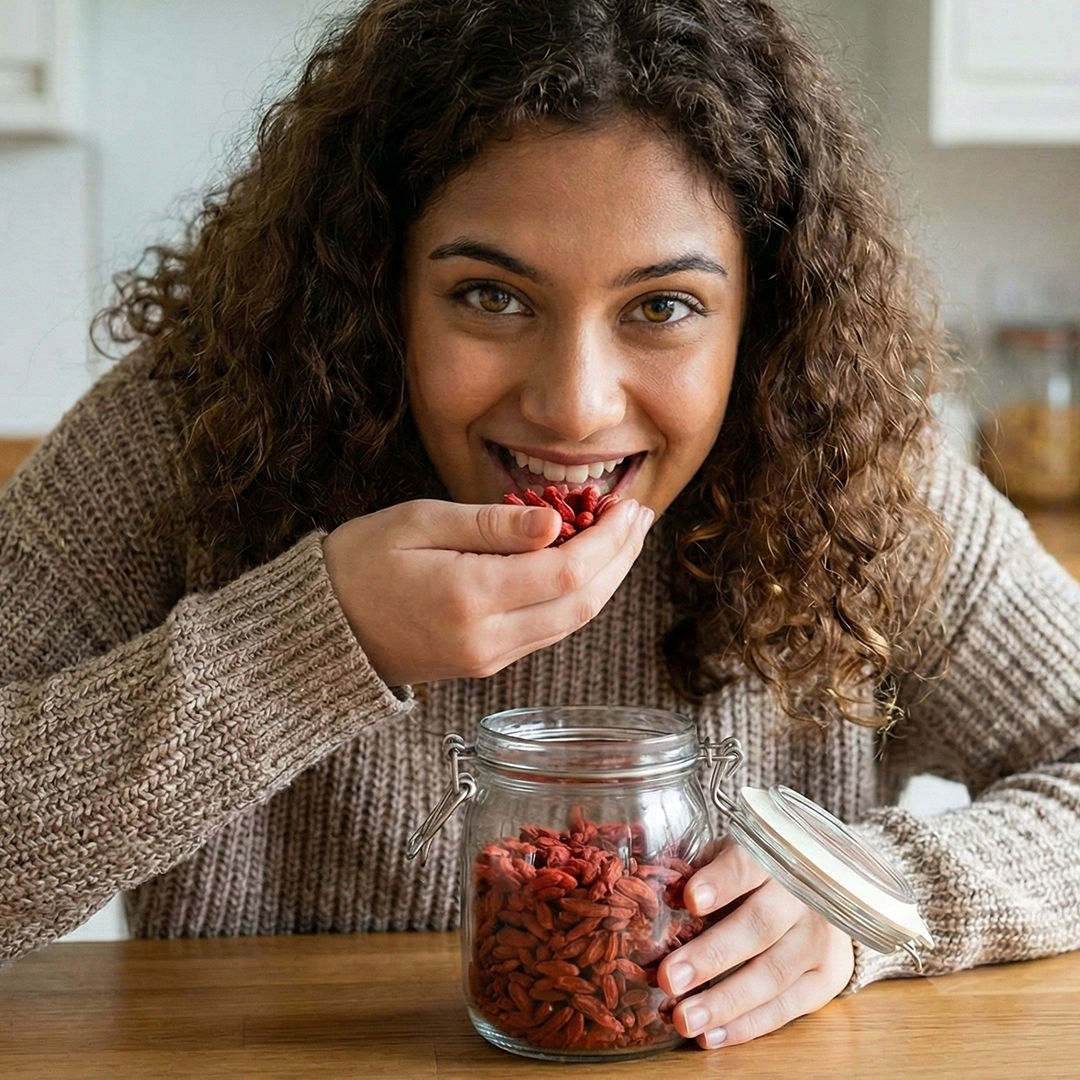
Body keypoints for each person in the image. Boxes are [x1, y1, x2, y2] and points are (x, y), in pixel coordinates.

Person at [2, 0, 1078, 1053]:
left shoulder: (844, 478)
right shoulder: (190, 439)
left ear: (766, 315)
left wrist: (870, 901)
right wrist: (315, 645)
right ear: (376, 285)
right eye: (491, 297)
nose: (574, 405)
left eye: (661, 307)